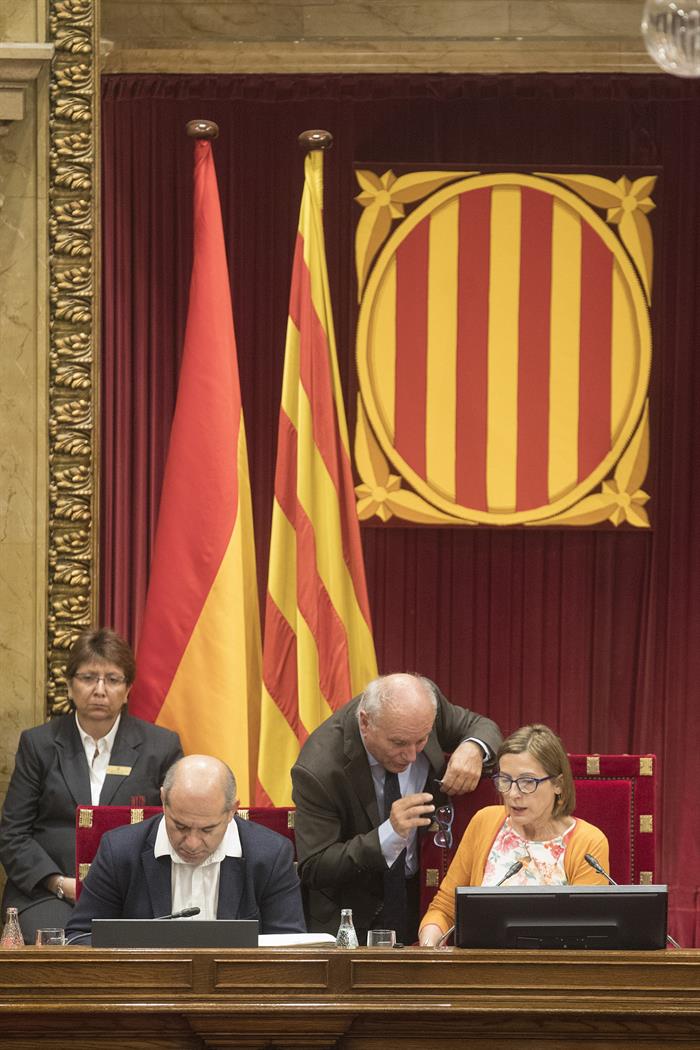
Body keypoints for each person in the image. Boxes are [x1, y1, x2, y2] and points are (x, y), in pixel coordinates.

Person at [0, 627, 183, 943]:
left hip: (132, 892)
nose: (100, 689)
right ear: (70, 685)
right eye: (88, 678)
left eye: (112, 679)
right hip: (49, 892)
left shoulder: (161, 746)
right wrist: (59, 882)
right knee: (58, 950)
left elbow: (179, 825)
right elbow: (13, 832)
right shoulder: (39, 744)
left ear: (128, 690)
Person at [291, 672, 503, 946]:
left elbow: (482, 726)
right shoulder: (318, 768)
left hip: (423, 898)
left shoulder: (425, 708)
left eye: (422, 740)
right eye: (399, 743)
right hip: (356, 917)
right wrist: (386, 836)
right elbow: (315, 866)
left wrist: (473, 748)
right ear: (365, 723)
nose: (412, 755)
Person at [65, 754, 306, 942]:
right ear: (163, 801)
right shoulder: (119, 851)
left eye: (207, 830)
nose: (191, 843)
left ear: (232, 810)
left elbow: (289, 948)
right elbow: (80, 937)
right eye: (179, 826)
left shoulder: (271, 855)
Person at [418, 723, 610, 946]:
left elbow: (585, 935)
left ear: (558, 784)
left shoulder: (588, 842)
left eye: (527, 782)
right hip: (480, 971)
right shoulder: (484, 822)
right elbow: (445, 908)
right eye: (505, 781)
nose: (513, 794)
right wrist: (429, 944)